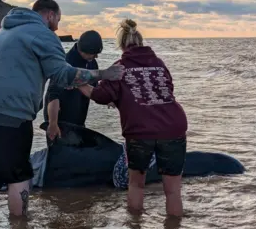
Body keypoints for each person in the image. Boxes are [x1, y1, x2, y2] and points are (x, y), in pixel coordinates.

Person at [0, 0, 124, 217]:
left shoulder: (6, 30)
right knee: (18, 175)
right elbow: (63, 75)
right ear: (50, 15)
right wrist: (103, 74)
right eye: (59, 18)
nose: (59, 22)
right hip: (10, 112)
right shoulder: (44, 34)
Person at [76, 19, 188, 217]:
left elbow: (101, 95)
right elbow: (165, 91)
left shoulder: (121, 66)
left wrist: (77, 83)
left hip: (140, 131)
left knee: (136, 185)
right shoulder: (159, 64)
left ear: (121, 45)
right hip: (174, 126)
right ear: (142, 42)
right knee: (172, 191)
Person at [44, 30, 103, 140]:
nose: (96, 57)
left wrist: (109, 97)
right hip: (59, 122)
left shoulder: (91, 62)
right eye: (94, 53)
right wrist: (52, 123)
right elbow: (52, 96)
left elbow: (94, 89)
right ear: (83, 50)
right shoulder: (66, 63)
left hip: (79, 122)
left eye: (97, 54)